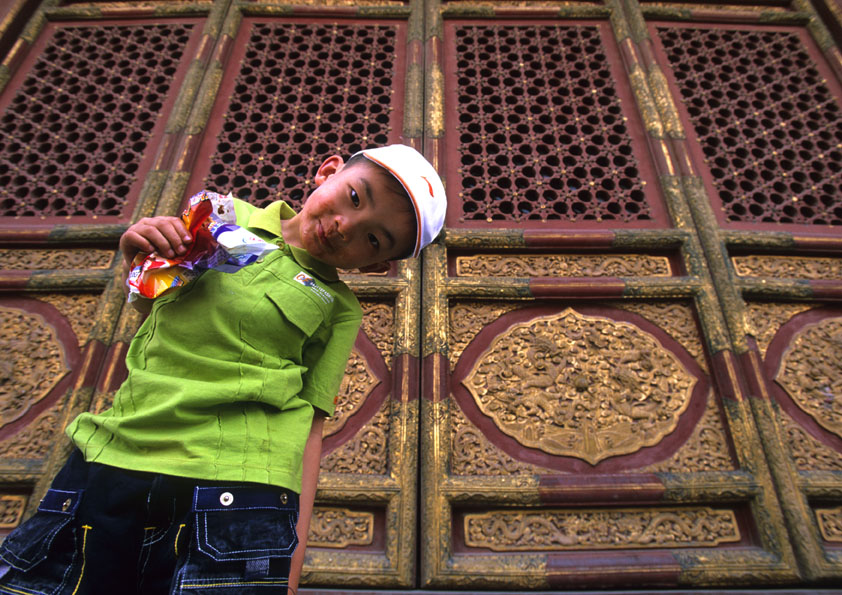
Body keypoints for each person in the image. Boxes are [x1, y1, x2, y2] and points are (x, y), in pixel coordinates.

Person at [0, 144, 446, 595]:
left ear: (374, 265)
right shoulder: (219, 215)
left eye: (373, 239)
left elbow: (310, 429)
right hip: (116, 453)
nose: (344, 227)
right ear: (328, 171)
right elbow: (154, 315)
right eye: (354, 197)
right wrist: (137, 254)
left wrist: (290, 571)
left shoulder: (339, 308)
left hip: (238, 491)